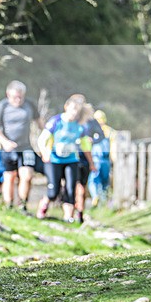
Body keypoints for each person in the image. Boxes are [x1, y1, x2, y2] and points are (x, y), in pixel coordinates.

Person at [36, 95, 93, 223]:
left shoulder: (80, 126)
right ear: (66, 107)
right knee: (53, 191)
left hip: (71, 160)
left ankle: (68, 217)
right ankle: (43, 207)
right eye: (72, 109)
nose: (74, 113)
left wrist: (91, 163)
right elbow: (42, 139)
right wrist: (45, 153)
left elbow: (85, 146)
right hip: (54, 160)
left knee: (70, 189)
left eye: (77, 110)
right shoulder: (56, 121)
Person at [0, 80, 42, 212]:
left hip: (26, 147)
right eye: (14, 97)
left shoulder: (29, 105)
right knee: (9, 176)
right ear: (8, 94)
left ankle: (22, 206)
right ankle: (9, 206)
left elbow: (40, 123)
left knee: (27, 175)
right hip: (8, 148)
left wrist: (46, 139)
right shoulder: (2, 106)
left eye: (20, 97)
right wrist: (4, 142)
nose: (18, 100)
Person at [74, 103, 102, 223]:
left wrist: (93, 140)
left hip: (86, 156)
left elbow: (100, 135)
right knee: (73, 185)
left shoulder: (92, 122)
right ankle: (72, 211)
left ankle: (80, 212)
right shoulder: (73, 121)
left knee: (82, 186)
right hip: (72, 156)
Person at [88, 109, 113, 206]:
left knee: (93, 180)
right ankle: (105, 203)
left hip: (96, 159)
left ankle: (95, 196)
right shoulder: (110, 131)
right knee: (105, 182)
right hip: (106, 160)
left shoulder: (92, 131)